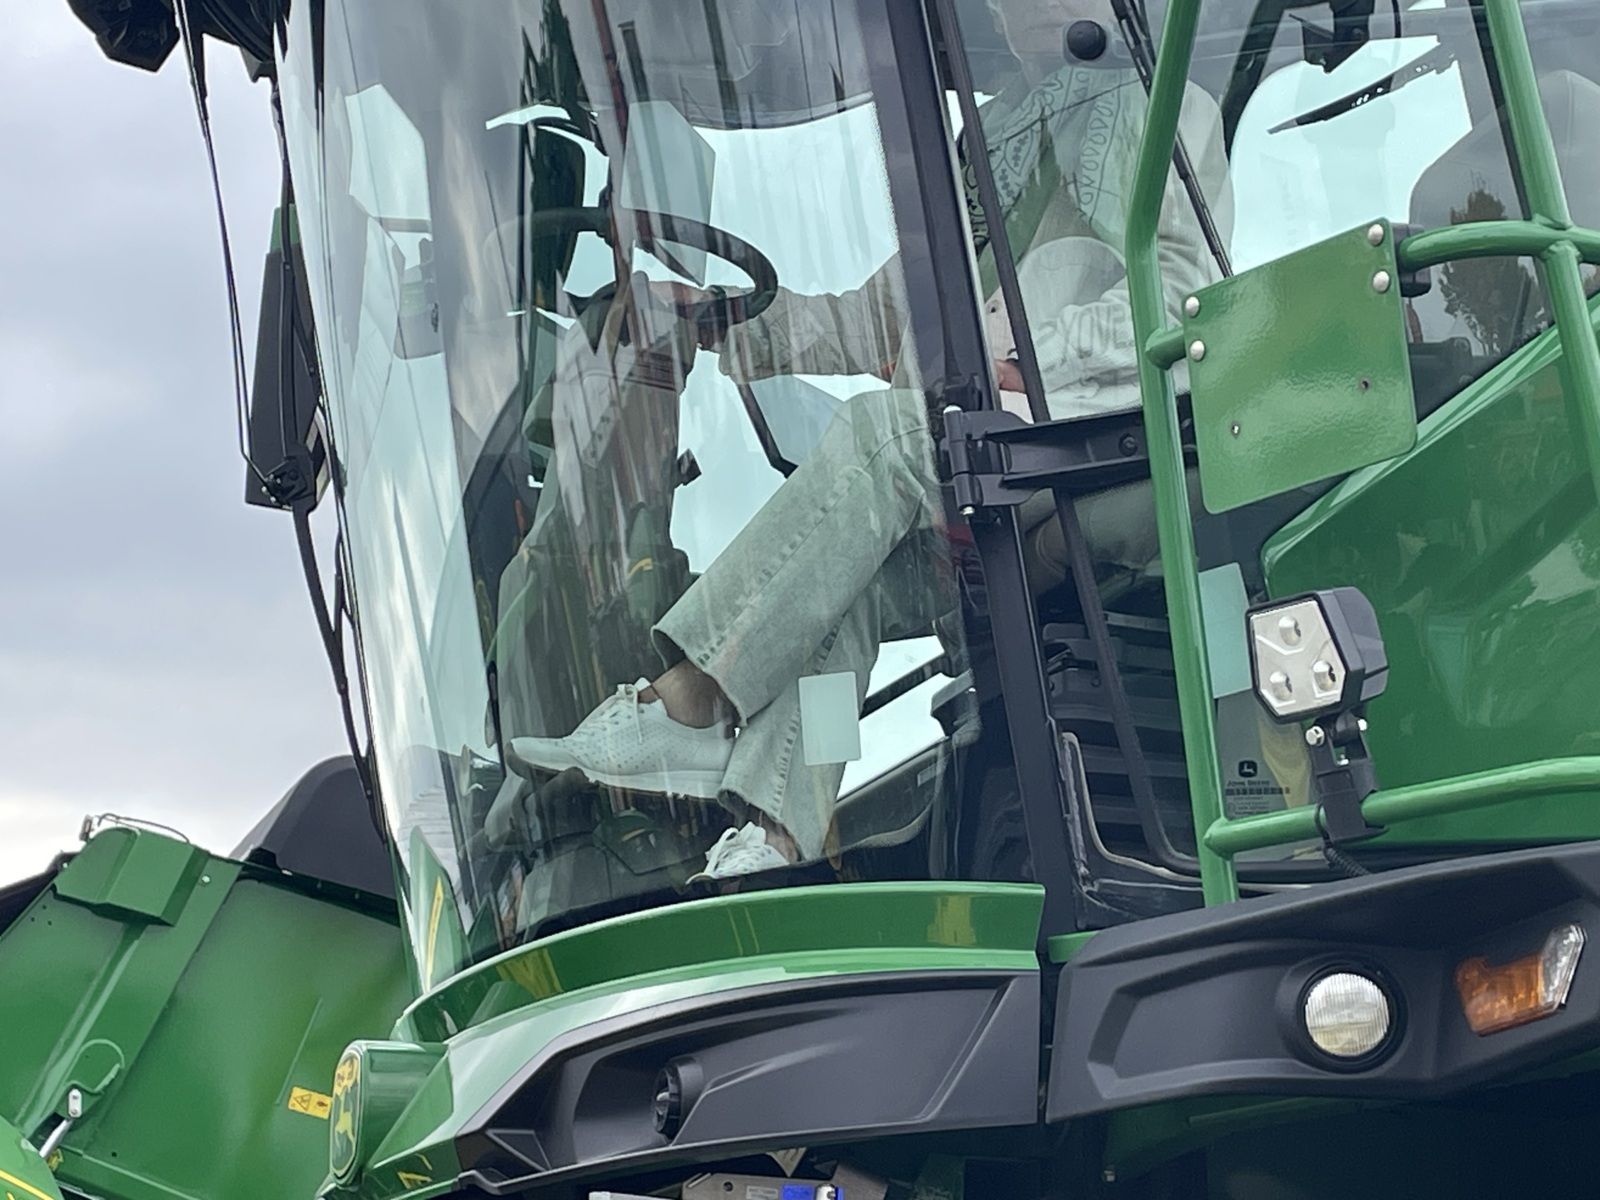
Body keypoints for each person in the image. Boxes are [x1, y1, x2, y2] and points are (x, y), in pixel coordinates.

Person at [507, 0, 1231, 879]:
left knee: (880, 433)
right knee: (841, 585)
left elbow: (1184, 297)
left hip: (1093, 443)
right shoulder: (991, 140)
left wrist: (1028, 353)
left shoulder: (1163, 108)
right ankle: (775, 839)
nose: (1021, 11)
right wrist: (721, 319)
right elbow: (885, 316)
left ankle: (692, 697)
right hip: (982, 465)